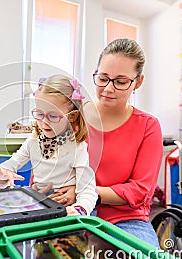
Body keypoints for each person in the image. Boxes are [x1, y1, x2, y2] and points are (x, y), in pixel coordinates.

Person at [54, 39, 163, 247]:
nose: (108, 89)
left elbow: (141, 190)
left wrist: (84, 192)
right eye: (103, 78)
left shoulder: (147, 126)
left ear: (138, 82)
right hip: (69, 210)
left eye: (121, 82)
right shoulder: (73, 117)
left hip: (124, 220)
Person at [0, 75, 99, 216]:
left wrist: (80, 209)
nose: (44, 122)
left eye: (53, 116)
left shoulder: (78, 147)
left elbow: (88, 189)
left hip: (69, 209)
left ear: (71, 116)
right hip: (41, 206)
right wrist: (4, 172)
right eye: (39, 114)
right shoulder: (33, 141)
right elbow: (14, 162)